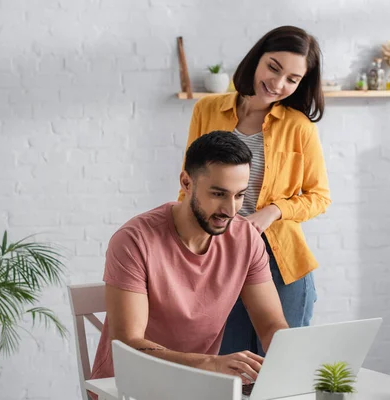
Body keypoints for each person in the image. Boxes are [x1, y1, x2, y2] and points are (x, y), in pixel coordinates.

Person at [89, 130, 289, 388]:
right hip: (128, 386)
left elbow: (271, 323)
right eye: (218, 194)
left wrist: (290, 356)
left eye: (239, 195)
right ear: (186, 183)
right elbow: (128, 344)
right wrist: (210, 364)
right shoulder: (134, 240)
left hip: (198, 387)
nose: (230, 210)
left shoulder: (246, 239)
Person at [178, 25, 331, 356]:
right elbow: (189, 185)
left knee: (281, 368)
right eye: (274, 67)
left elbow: (319, 196)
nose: (277, 84)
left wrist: (271, 212)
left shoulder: (299, 127)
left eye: (292, 79)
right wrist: (184, 249)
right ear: (257, 58)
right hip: (219, 256)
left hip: (281, 263)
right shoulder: (206, 110)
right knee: (228, 366)